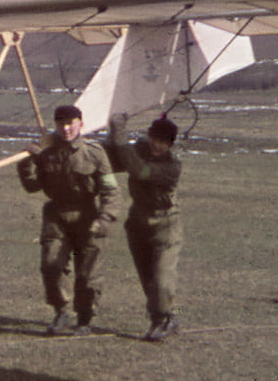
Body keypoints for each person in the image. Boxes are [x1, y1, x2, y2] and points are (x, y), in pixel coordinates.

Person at [16, 104, 120, 335]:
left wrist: (105, 217)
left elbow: (111, 190)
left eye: (71, 123)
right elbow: (32, 186)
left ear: (80, 124)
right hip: (56, 216)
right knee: (52, 265)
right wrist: (25, 163)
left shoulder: (94, 152)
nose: (65, 128)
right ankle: (61, 312)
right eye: (61, 123)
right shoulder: (46, 151)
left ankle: (84, 319)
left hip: (88, 216)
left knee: (89, 273)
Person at [105, 114, 184, 341]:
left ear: (170, 145)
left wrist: (120, 136)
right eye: (155, 139)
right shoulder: (140, 149)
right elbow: (115, 160)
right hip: (138, 224)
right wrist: (113, 135)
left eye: (164, 142)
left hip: (165, 227)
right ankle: (161, 319)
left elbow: (139, 170)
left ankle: (166, 317)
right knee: (148, 280)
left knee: (161, 280)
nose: (157, 145)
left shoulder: (172, 167)